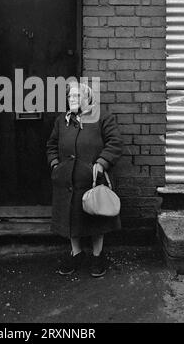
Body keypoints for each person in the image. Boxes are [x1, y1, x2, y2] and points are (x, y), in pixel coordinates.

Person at [46, 81, 123, 277]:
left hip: (92, 180)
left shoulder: (102, 118)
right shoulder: (61, 121)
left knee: (96, 217)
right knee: (72, 218)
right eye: (70, 96)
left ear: (88, 98)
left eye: (77, 96)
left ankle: (97, 256)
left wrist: (102, 162)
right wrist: (55, 164)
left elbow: (115, 143)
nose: (72, 99)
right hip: (67, 181)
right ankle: (76, 253)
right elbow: (51, 145)